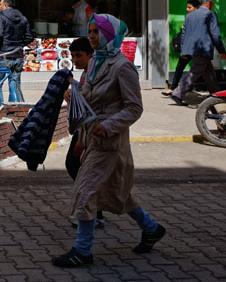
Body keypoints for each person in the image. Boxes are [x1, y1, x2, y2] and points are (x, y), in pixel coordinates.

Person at [52, 14, 166, 268]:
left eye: (96, 31)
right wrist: (75, 99)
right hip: (92, 138)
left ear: (110, 35)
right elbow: (90, 99)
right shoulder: (95, 62)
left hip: (110, 142)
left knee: (85, 190)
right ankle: (152, 228)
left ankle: (83, 250)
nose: (91, 36)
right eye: (90, 31)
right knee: (118, 193)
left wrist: (108, 126)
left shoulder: (122, 66)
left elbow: (134, 107)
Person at [65, 37, 104, 229]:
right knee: (76, 166)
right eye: (72, 56)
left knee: (78, 167)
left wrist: (82, 138)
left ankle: (93, 213)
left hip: (94, 129)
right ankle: (95, 211)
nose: (75, 60)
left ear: (91, 55)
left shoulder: (96, 74)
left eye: (78, 55)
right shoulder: (85, 75)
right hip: (84, 127)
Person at [170, 0, 226, 106]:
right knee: (194, 72)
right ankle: (177, 93)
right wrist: (222, 50)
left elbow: (184, 33)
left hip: (192, 49)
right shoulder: (210, 14)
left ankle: (216, 94)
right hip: (203, 49)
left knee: (209, 73)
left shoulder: (189, 16)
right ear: (209, 3)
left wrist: (183, 49)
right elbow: (215, 34)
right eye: (212, 4)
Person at [0, 0, 34, 108]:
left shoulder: (0, 18)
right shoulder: (23, 18)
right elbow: (29, 37)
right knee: (15, 84)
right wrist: (19, 46)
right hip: (18, 57)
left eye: (0, 4)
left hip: (2, 56)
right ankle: (14, 113)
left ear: (5, 5)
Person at [162, 0, 201, 96]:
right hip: (190, 48)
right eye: (187, 7)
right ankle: (173, 88)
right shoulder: (190, 17)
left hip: (194, 48)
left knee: (201, 70)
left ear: (196, 8)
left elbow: (186, 35)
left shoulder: (198, 18)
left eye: (189, 7)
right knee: (180, 67)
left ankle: (176, 89)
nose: (187, 9)